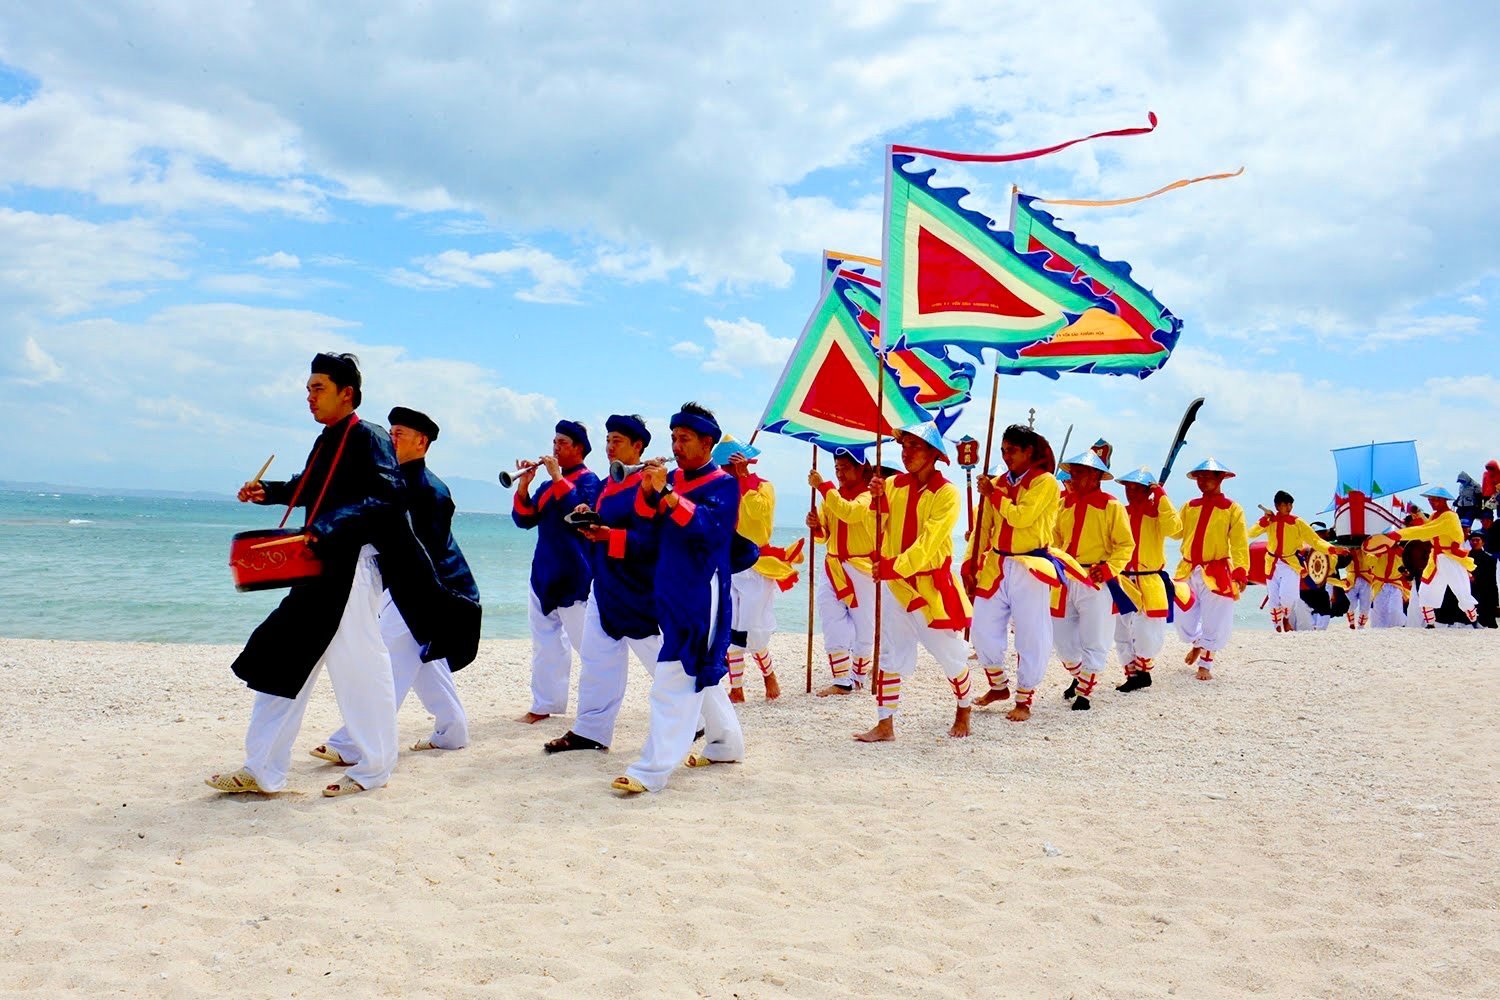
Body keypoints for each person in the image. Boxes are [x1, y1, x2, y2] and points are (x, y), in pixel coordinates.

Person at [209, 352, 402, 797]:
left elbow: (388, 499)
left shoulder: (369, 437)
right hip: (320, 564)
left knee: (360, 666)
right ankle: (261, 770)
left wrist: (326, 527)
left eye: (318, 388)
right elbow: (311, 485)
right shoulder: (329, 438)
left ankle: (374, 768)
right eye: (308, 389)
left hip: (352, 567)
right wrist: (269, 491)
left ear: (346, 393)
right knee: (282, 657)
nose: (309, 398)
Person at [314, 406, 482, 766]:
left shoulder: (432, 492)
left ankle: (351, 743)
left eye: (399, 435)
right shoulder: (392, 482)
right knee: (424, 662)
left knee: (390, 659)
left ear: (421, 442)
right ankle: (452, 732)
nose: (390, 439)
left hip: (435, 591)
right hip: (411, 588)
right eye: (389, 433)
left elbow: (426, 553)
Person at [612, 403, 744, 795]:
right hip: (669, 587)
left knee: (673, 673)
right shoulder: (673, 482)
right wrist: (647, 492)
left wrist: (666, 493)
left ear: (707, 444)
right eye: (673, 438)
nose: (676, 446)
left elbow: (708, 528)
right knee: (699, 670)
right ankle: (726, 745)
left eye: (683, 439)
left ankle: (651, 770)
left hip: (702, 589)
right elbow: (647, 531)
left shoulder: (723, 484)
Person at [545, 415, 663, 753]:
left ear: (638, 446)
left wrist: (609, 535)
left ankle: (698, 720)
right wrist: (589, 512)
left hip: (635, 584)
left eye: (618, 441)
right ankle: (591, 730)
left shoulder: (646, 480)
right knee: (598, 658)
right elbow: (608, 518)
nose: (610, 446)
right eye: (608, 439)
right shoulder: (610, 481)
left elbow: (651, 538)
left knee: (659, 656)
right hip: (604, 580)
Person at [854, 423, 975, 742]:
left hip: (929, 585)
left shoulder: (947, 493)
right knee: (891, 652)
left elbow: (929, 543)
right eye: (904, 447)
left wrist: (893, 566)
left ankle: (964, 709)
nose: (906, 453)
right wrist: (876, 503)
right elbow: (874, 532)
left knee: (947, 653)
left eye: (915, 447)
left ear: (934, 453)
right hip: (895, 585)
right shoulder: (893, 486)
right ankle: (885, 724)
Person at [964, 423, 1066, 723]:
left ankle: (1024, 697)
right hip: (997, 563)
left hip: (1031, 564)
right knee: (981, 628)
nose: (1006, 456)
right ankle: (998, 685)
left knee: (1030, 631)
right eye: (1003, 451)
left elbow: (1023, 518)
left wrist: (993, 495)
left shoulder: (1046, 483)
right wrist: (970, 562)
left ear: (1029, 452)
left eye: (1012, 451)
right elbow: (983, 527)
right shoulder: (996, 484)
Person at [512, 420, 601, 724]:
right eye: (554, 442)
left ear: (579, 448)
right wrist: (524, 485)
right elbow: (524, 520)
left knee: (588, 646)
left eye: (562, 443)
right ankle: (544, 704)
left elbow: (582, 515)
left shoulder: (590, 481)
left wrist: (557, 476)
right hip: (543, 570)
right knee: (545, 643)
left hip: (576, 573)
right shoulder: (547, 485)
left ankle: (595, 709)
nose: (555, 448)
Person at [1051, 451, 1134, 713]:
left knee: (1095, 637)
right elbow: (1054, 539)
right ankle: (1079, 676)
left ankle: (1084, 693)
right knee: (1061, 637)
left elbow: (1125, 545)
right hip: (1065, 578)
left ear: (1097, 476)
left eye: (1082, 472)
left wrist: (1109, 568)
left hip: (1096, 580)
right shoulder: (1063, 505)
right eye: (1073, 472)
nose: (1075, 476)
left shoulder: (1112, 506)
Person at [721, 438, 802, 703]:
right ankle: (737, 688)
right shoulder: (721, 488)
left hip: (757, 564)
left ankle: (769, 674)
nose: (723, 470)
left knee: (751, 629)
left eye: (727, 466)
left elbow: (760, 513)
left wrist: (744, 479)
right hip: (728, 564)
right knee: (731, 627)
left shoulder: (763, 487)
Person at [806, 448, 877, 696]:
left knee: (864, 623)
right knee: (830, 616)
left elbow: (850, 512)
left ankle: (858, 676)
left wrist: (823, 485)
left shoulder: (869, 497)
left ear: (861, 469)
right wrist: (817, 527)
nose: (840, 473)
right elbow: (825, 537)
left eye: (845, 468)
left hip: (862, 568)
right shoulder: (831, 496)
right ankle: (842, 679)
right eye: (837, 469)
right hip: (834, 564)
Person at [1173, 458, 1250, 681]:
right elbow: (1175, 531)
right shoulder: (1189, 506)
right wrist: (1159, 506)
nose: (1203, 481)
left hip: (1216, 571)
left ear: (1220, 479)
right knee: (1182, 621)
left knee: (1215, 619)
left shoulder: (1232, 509)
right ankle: (1197, 642)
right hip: (1187, 569)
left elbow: (1238, 542)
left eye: (1208, 476)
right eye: (1200, 477)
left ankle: (1206, 663)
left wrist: (1241, 570)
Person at [1112, 467, 1187, 692]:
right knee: (1121, 629)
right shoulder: (1121, 512)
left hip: (1149, 578)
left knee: (1148, 629)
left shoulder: (1157, 514)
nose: (1131, 492)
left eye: (1137, 488)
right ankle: (1131, 674)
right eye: (1128, 487)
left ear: (1148, 490)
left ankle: (1144, 671)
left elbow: (1175, 530)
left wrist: (1162, 498)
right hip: (1122, 577)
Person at [1387, 486, 1479, 628]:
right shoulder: (1435, 516)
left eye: (1434, 500)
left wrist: (1398, 534)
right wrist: (1420, 517)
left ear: (1443, 500)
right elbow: (1429, 531)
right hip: (1435, 558)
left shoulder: (1450, 516)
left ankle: (1474, 621)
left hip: (1450, 557)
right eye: (1430, 500)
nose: (1431, 502)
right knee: (1425, 590)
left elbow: (1428, 531)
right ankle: (1430, 624)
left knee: (1461, 590)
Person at [1248, 491, 1333, 633]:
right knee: (1274, 599)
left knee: (1289, 597)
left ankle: (1286, 617)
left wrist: (1332, 549)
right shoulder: (1270, 521)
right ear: (1277, 505)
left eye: (1290, 504)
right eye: (1285, 504)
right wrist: (1264, 520)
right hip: (1271, 563)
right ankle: (1278, 629)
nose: (1289, 507)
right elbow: (1251, 533)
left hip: (1291, 563)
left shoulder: (1297, 522)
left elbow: (1315, 540)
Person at [1360, 535, 1409, 628]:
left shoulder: (1402, 552)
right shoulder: (1377, 550)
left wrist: (1406, 572)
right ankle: (1379, 633)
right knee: (1379, 611)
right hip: (1379, 585)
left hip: (1395, 585)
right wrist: (1377, 554)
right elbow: (1369, 563)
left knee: (1395, 610)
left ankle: (1399, 627)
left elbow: (1408, 567)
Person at [1467, 529, 1498, 629]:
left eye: (1477, 540)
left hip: (1485, 591)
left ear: (1483, 542)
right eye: (1472, 540)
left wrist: (1495, 601)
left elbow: (1493, 580)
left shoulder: (1490, 558)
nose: (1474, 542)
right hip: (1469, 589)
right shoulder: (1465, 556)